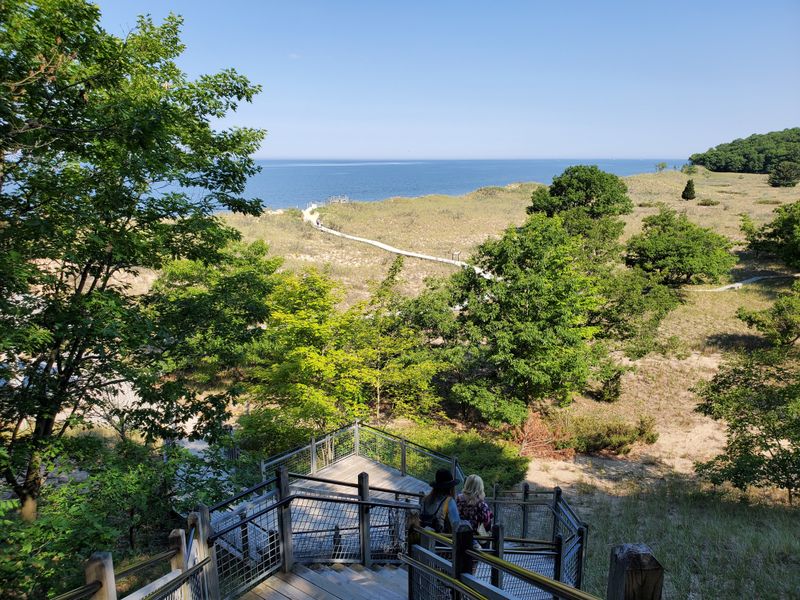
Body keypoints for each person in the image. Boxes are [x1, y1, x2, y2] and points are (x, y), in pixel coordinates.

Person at [420, 468, 461, 533]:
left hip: (424, 538)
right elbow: (456, 525)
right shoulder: (449, 501)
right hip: (441, 540)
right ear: (450, 487)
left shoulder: (425, 499)